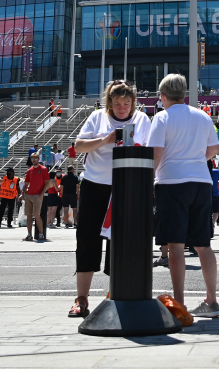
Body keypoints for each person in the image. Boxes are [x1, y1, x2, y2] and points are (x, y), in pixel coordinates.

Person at [70, 79, 152, 318]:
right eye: (117, 104)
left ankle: (115, 293)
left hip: (127, 186)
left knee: (121, 242)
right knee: (87, 240)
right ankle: (82, 298)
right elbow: (79, 146)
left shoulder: (142, 119)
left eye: (127, 103)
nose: (122, 108)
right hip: (95, 185)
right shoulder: (98, 117)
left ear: (133, 103)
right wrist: (106, 139)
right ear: (109, 103)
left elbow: (150, 150)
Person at [150, 73, 219, 318]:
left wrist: (149, 178)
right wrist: (196, 158)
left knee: (175, 245)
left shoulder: (162, 118)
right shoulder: (202, 116)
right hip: (201, 181)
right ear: (184, 94)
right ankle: (212, 300)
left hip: (172, 182)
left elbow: (156, 153)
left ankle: (179, 303)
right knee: (203, 244)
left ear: (163, 96)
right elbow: (214, 148)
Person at [22, 152, 49, 242]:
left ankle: (41, 234)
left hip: (37, 195)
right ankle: (29, 234)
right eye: (32, 158)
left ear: (38, 159)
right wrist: (22, 194)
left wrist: (42, 193)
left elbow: (47, 183)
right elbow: (26, 183)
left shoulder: (43, 169)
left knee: (37, 215)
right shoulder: (30, 170)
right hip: (29, 195)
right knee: (29, 215)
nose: (33, 160)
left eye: (35, 158)